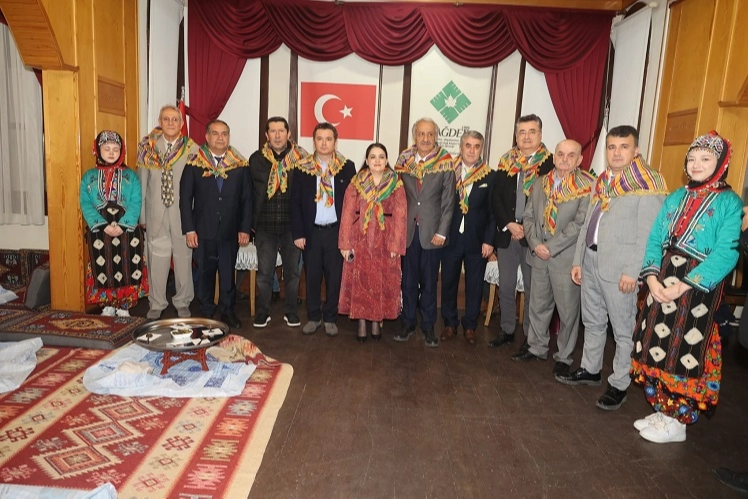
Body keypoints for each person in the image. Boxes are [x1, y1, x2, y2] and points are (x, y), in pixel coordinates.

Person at [630, 131, 742, 443]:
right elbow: (655, 238)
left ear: (721, 164)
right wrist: (652, 278)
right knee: (654, 344)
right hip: (662, 277)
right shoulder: (676, 196)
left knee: (684, 350)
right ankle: (662, 409)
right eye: (692, 159)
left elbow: (727, 252)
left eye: (705, 159)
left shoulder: (730, 202)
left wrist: (682, 286)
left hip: (697, 289)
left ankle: (677, 422)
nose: (696, 164)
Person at [556, 125, 668, 411]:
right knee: (592, 321)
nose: (616, 153)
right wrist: (578, 260)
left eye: (624, 147)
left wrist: (633, 270)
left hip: (621, 270)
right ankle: (590, 369)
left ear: (636, 150)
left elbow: (648, 235)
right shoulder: (603, 181)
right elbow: (588, 224)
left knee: (622, 331)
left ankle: (619, 383)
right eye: (612, 147)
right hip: (591, 262)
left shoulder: (648, 183)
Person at [511, 139, 594, 377]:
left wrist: (550, 246)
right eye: (560, 154)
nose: (564, 159)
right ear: (554, 157)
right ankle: (536, 347)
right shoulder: (540, 182)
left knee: (568, 313)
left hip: (565, 259)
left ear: (579, 160)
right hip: (538, 255)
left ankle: (564, 356)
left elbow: (580, 224)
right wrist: (536, 244)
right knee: (538, 305)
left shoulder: (587, 186)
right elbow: (528, 216)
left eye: (571, 155)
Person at [489, 114, 554, 349]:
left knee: (532, 289)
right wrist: (508, 223)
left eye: (531, 132)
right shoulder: (506, 161)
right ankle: (507, 329)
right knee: (506, 286)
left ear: (540, 134)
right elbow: (496, 196)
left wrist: (527, 228)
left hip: (533, 237)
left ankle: (530, 335)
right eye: (522, 132)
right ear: (516, 136)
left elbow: (551, 203)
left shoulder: (550, 164)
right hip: (508, 233)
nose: (526, 137)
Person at [179, 120, 252, 329]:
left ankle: (228, 311)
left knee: (228, 274)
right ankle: (207, 312)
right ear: (207, 137)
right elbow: (185, 199)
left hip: (230, 230)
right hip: (203, 230)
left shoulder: (239, 165)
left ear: (229, 137)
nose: (220, 137)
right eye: (215, 133)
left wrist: (245, 228)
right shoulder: (194, 163)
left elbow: (247, 199)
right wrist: (189, 229)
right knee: (205, 273)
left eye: (224, 134)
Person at [394, 117, 455, 347]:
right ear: (415, 136)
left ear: (436, 137)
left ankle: (428, 325)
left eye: (430, 134)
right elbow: (397, 196)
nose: (426, 138)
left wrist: (442, 232)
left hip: (433, 234)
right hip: (408, 232)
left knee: (429, 283)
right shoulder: (404, 160)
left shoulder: (445, 162)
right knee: (408, 281)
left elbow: (449, 202)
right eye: (421, 134)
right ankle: (408, 322)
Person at [291, 122, 356, 337]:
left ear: (335, 142)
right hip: (311, 232)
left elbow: (353, 204)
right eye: (320, 139)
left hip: (336, 232)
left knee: (334, 278)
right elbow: (295, 202)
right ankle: (313, 317)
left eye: (329, 139)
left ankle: (330, 318)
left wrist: (349, 235)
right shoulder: (302, 167)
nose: (324, 143)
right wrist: (298, 233)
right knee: (312, 276)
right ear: (314, 142)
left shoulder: (347, 167)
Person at [338, 143, 407, 342]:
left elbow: (401, 215)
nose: (377, 160)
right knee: (360, 281)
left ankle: (377, 320)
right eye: (373, 157)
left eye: (381, 157)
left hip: (386, 240)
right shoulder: (356, 182)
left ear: (387, 160)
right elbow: (347, 213)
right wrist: (345, 243)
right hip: (359, 239)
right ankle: (361, 322)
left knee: (381, 281)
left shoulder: (396, 183)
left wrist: (396, 245)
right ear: (367, 161)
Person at [137, 104, 197, 319]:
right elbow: (142, 184)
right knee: (156, 260)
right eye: (166, 119)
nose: (171, 123)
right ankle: (157, 303)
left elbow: (197, 188)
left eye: (175, 119)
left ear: (181, 124)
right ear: (160, 122)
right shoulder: (147, 148)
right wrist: (142, 216)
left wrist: (194, 220)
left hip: (183, 216)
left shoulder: (192, 149)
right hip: (155, 215)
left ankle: (182, 302)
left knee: (183, 260)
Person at [80, 130, 148, 316]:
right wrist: (103, 226)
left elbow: (136, 201)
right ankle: (108, 304)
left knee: (127, 266)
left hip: (127, 230)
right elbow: (85, 203)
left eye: (115, 149)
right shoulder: (88, 177)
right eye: (107, 148)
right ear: (97, 150)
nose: (111, 153)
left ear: (121, 151)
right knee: (105, 267)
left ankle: (124, 305)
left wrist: (123, 225)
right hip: (100, 231)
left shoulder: (131, 176)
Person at [248, 117, 307, 329]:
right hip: (265, 226)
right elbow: (249, 194)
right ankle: (263, 312)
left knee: (292, 274)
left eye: (281, 131)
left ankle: (291, 311)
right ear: (267, 135)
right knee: (264, 273)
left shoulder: (301, 159)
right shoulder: (256, 159)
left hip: (292, 227)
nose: (277, 135)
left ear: (289, 134)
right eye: (272, 131)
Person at [440, 131, 495, 345]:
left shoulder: (489, 176)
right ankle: (449, 323)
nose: (472, 150)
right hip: (451, 237)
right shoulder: (448, 171)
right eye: (468, 145)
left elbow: (492, 213)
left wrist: (489, 241)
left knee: (475, 284)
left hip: (477, 240)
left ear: (482, 149)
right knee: (449, 282)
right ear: (461, 147)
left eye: (476, 146)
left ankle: (470, 326)